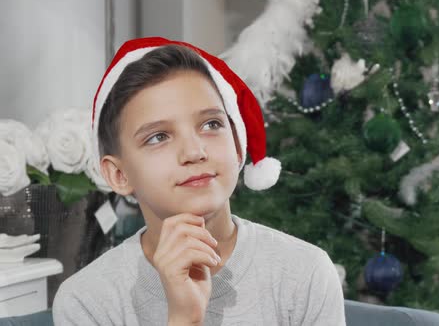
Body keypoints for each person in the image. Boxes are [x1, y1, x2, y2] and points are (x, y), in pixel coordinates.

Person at [52, 37, 345, 326]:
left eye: (211, 124)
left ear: (238, 144)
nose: (194, 152)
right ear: (119, 174)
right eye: (158, 137)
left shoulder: (305, 273)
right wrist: (184, 319)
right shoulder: (86, 303)